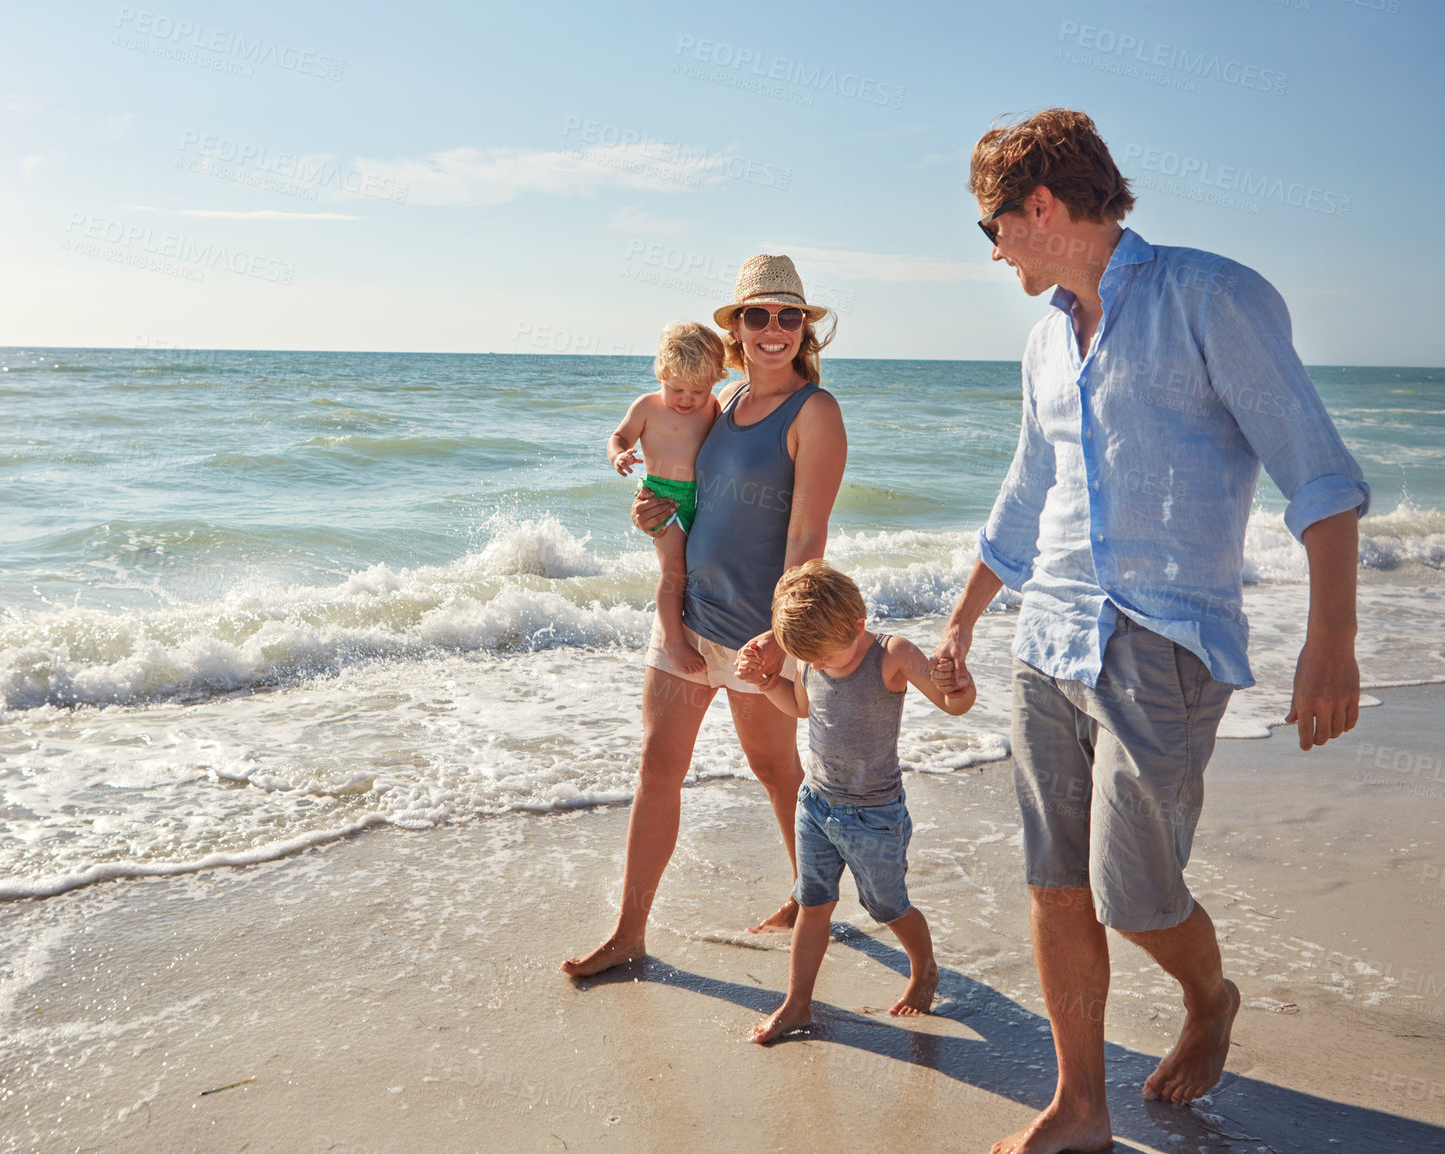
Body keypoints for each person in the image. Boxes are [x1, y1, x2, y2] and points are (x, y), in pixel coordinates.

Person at [930, 109, 1368, 1154]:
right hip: (1050, 638)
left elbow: (1317, 472)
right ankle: (1079, 1104)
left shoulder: (1210, 297)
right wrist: (959, 624)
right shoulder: (1044, 338)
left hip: (1163, 639)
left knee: (1134, 893)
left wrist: (1332, 638)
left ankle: (1208, 996)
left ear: (1040, 206)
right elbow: (1024, 494)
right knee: (1054, 880)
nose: (991, 251)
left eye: (991, 226)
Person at [561, 254, 847, 977]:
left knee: (777, 772)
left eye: (788, 317)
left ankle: (809, 900)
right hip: (687, 621)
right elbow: (683, 487)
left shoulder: (815, 411)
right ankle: (629, 931)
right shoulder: (719, 409)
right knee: (658, 768)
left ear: (804, 330)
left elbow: (808, 537)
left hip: (759, 635)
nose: (773, 329)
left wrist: (783, 639)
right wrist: (652, 512)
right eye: (759, 316)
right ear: (738, 330)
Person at [736, 560, 975, 1042]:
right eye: (811, 661)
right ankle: (797, 1004)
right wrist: (767, 683)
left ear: (858, 625)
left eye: (825, 659)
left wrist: (960, 685)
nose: (819, 667)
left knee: (889, 907)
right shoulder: (810, 656)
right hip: (816, 804)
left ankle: (923, 967)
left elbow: (953, 704)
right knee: (812, 902)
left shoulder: (893, 655)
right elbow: (802, 708)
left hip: (875, 816)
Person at [606, 322, 729, 676]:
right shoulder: (647, 406)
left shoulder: (713, 408)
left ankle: (701, 628)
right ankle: (671, 640)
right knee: (673, 569)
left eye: (698, 390)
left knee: (697, 570)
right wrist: (619, 456)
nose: (687, 399)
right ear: (661, 373)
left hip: (702, 499)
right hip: (664, 497)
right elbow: (619, 436)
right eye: (677, 389)